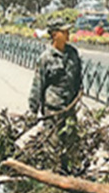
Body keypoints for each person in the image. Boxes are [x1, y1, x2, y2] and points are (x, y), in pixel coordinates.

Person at [28, 18, 83, 173]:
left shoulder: (73, 53)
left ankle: (70, 176)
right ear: (54, 35)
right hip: (53, 110)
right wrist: (33, 109)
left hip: (70, 108)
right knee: (53, 147)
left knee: (71, 145)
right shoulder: (46, 58)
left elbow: (78, 76)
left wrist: (80, 92)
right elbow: (38, 84)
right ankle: (52, 177)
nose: (68, 34)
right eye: (64, 31)